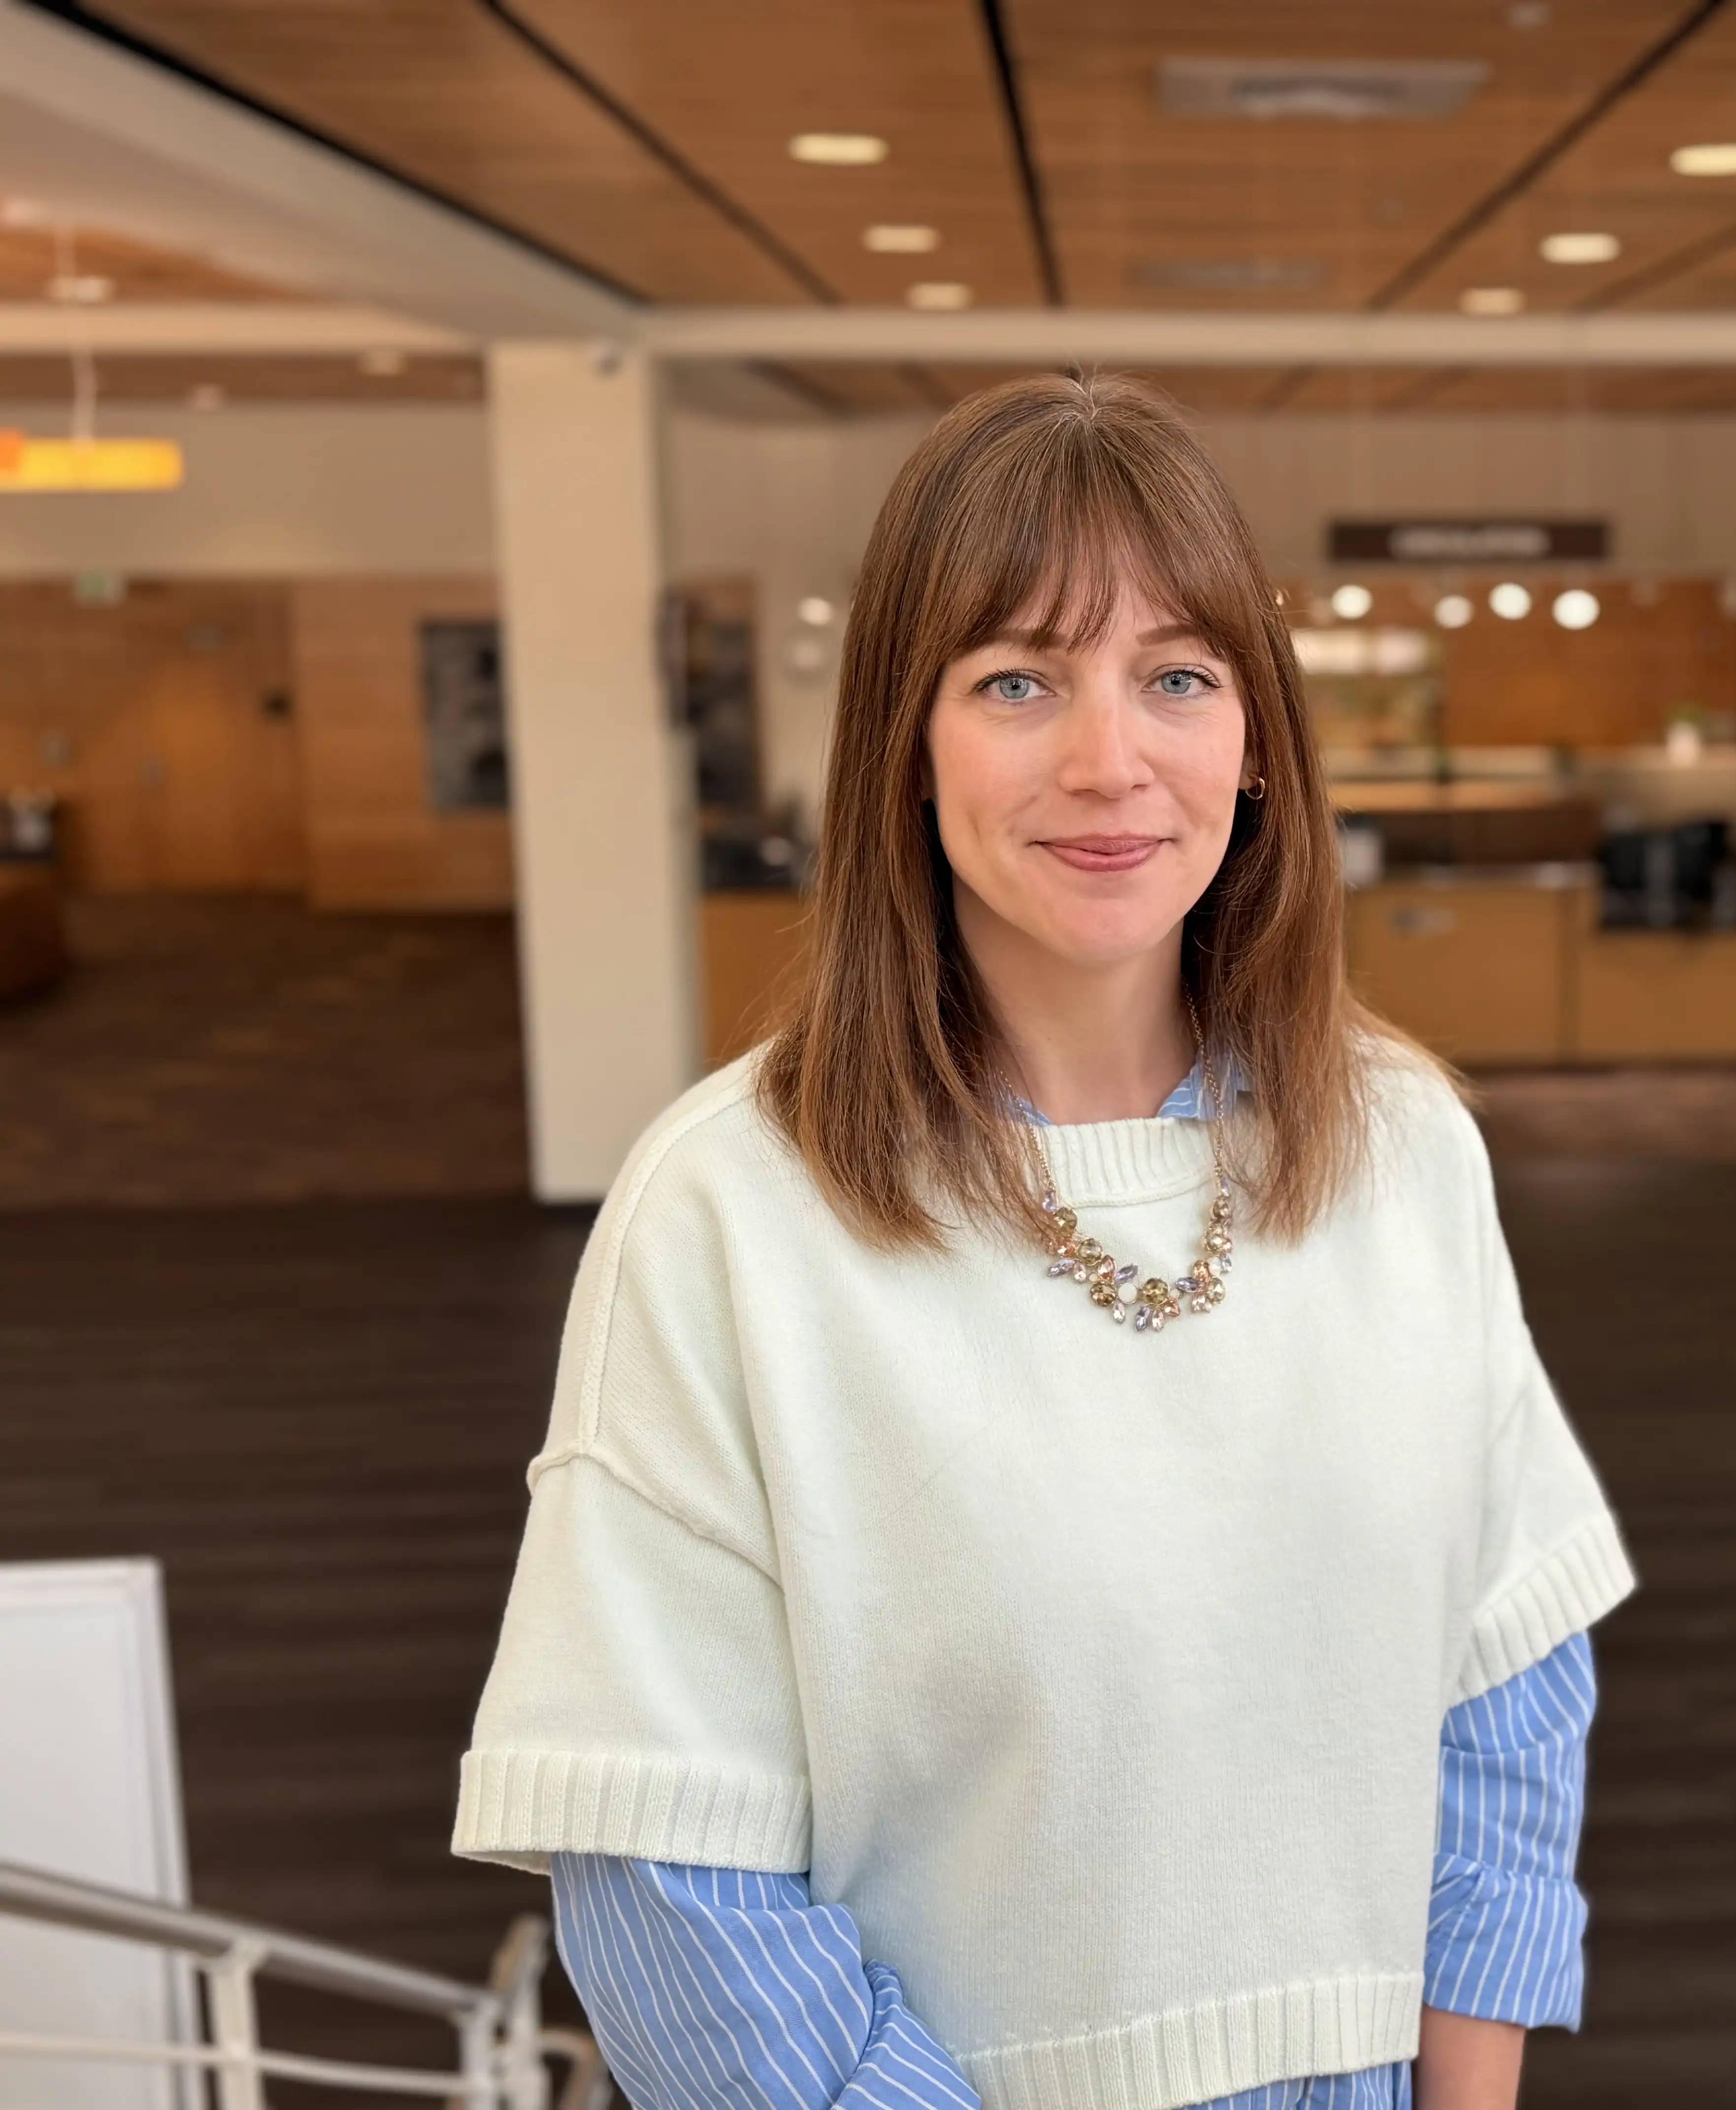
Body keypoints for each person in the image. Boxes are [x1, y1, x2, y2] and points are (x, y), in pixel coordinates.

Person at [452, 372, 1637, 2110]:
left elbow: (1507, 1690)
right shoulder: (730, 1208)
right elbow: (667, 1876)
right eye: (1018, 679)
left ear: (1258, 740)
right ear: (905, 741)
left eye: (1178, 676)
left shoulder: (1404, 1145)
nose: (1109, 760)